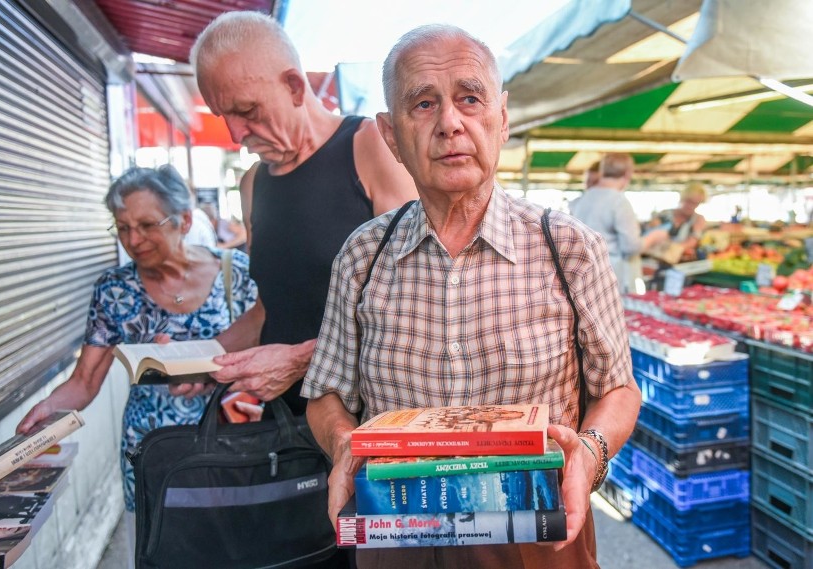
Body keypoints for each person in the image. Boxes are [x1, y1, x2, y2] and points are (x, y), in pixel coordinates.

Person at [303, 24, 641, 569]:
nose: (450, 123)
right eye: (423, 103)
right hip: (399, 529)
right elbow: (325, 392)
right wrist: (343, 441)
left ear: (501, 118)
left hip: (540, 531)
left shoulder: (570, 248)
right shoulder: (362, 256)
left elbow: (619, 390)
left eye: (469, 98)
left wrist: (590, 453)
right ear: (390, 135)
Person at [16, 165, 262, 566]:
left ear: (183, 220)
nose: (133, 239)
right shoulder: (114, 290)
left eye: (147, 224)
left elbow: (269, 350)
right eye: (122, 227)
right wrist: (44, 415)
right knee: (157, 552)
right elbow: (84, 381)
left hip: (232, 445)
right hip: (150, 453)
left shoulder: (238, 275)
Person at [189, 11, 417, 417]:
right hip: (288, 431)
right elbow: (267, 311)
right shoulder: (253, 183)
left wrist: (298, 362)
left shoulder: (369, 148)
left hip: (370, 426)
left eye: (247, 111)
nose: (235, 135)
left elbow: (415, 306)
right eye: (224, 116)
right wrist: (200, 359)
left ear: (295, 86)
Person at [569, 153, 666, 293]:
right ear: (627, 174)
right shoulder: (619, 202)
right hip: (614, 276)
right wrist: (654, 237)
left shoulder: (581, 201)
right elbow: (631, 247)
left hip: (586, 274)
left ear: (602, 171)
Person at [651, 182, 708, 263]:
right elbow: (652, 236)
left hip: (681, 262)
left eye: (696, 203)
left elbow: (692, 242)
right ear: (682, 198)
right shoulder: (664, 214)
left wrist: (672, 250)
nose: (691, 206)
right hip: (656, 259)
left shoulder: (698, 219)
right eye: (689, 201)